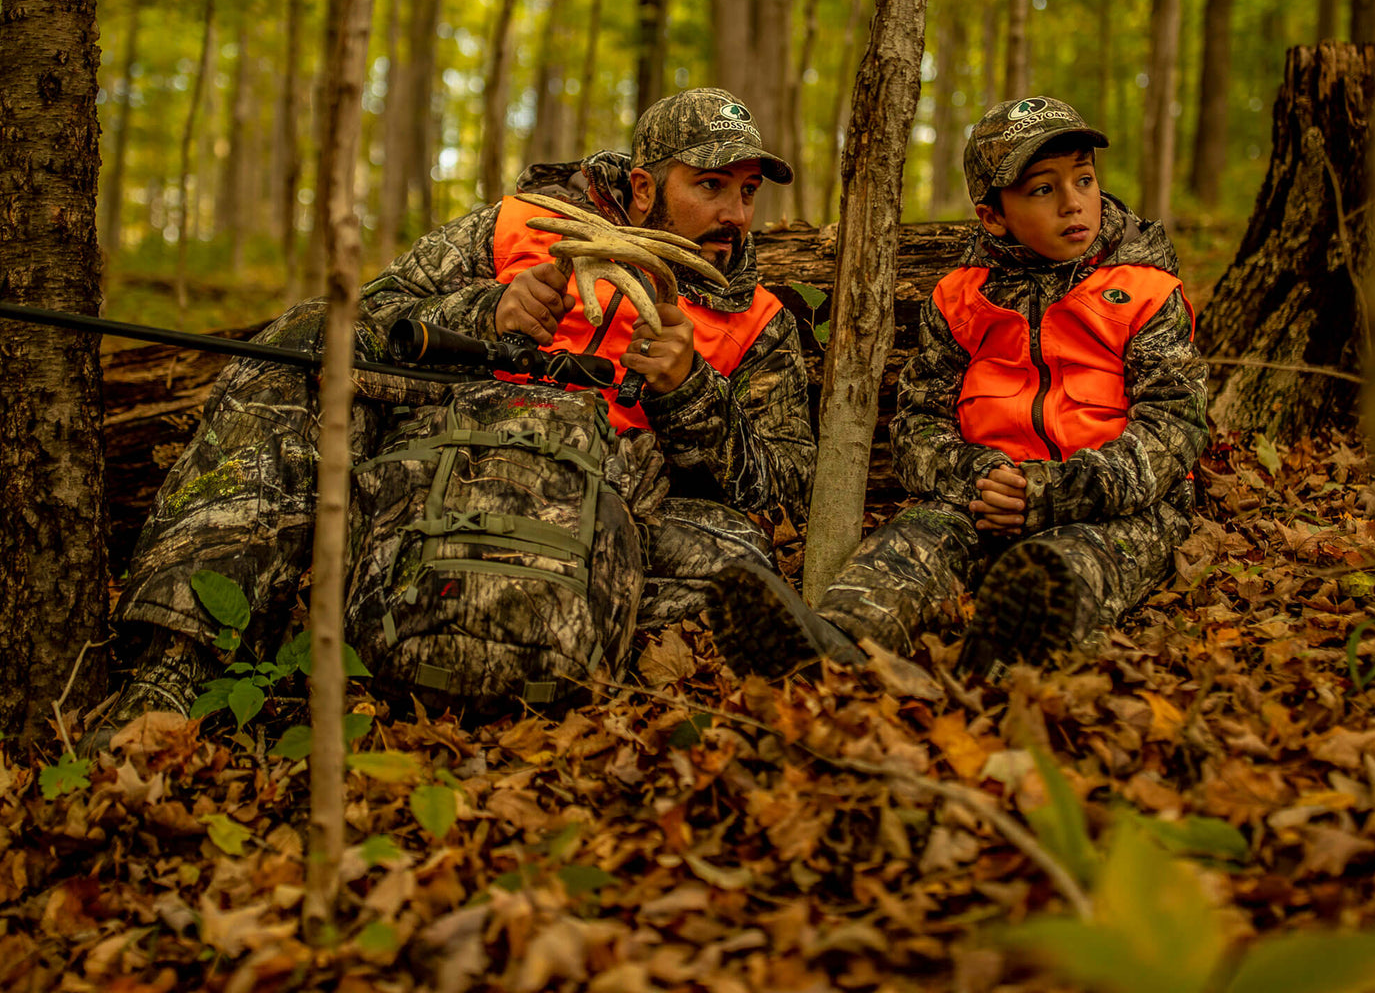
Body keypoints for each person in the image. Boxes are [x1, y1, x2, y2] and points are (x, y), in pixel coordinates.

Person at [101, 88, 815, 730]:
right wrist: (485, 312)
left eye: (748, 193)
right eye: (712, 185)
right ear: (640, 185)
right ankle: (174, 669)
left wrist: (690, 393)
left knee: (736, 558)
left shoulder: (758, 320)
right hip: (436, 477)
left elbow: (784, 489)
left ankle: (589, 687)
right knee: (295, 347)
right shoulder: (519, 227)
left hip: (612, 515)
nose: (735, 215)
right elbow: (357, 327)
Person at [710, 95, 1208, 679]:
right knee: (903, 553)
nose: (1074, 202)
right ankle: (830, 644)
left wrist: (1056, 491)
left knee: (1061, 571)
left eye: (1084, 179)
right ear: (993, 215)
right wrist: (975, 476)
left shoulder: (1144, 289)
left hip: (1113, 507)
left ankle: (998, 664)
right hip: (980, 497)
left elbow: (1176, 424)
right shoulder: (960, 300)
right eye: (1042, 189)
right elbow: (918, 422)